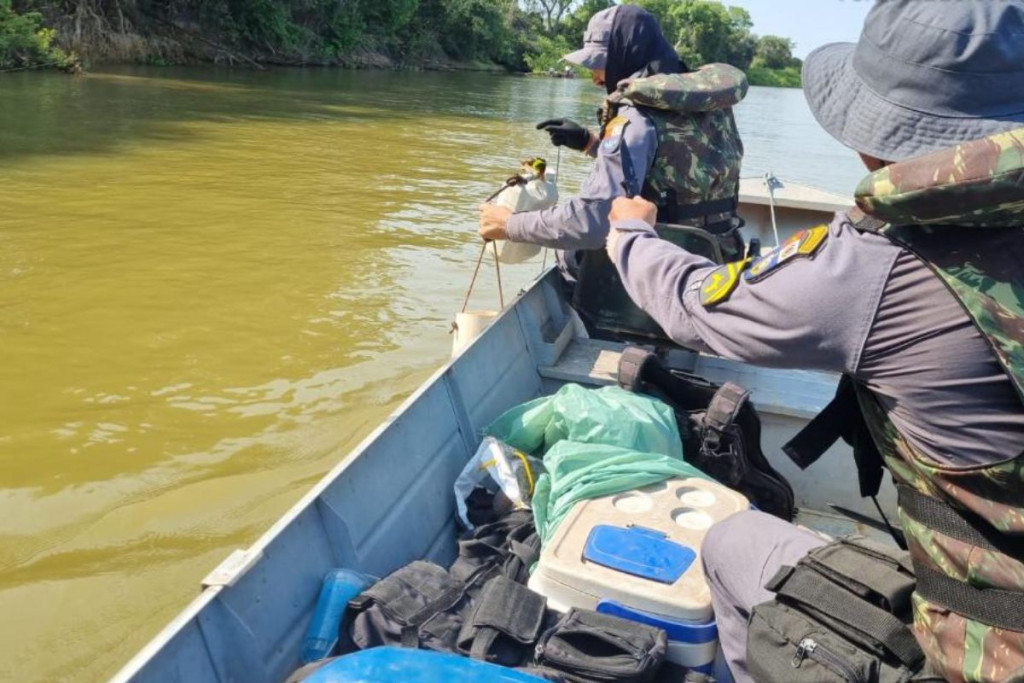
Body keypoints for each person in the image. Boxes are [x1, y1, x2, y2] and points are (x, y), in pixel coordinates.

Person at [605, 1, 1024, 681]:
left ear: (871, 137)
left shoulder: (874, 267)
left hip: (991, 653)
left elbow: (693, 307)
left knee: (735, 542)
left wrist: (629, 232)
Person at [478, 4, 747, 283]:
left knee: (570, 258)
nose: (595, 77)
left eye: (599, 64)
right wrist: (590, 143)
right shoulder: (712, 106)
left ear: (625, 56)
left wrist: (508, 223)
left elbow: (591, 222)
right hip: (718, 262)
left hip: (664, 272)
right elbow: (674, 176)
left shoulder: (636, 117)